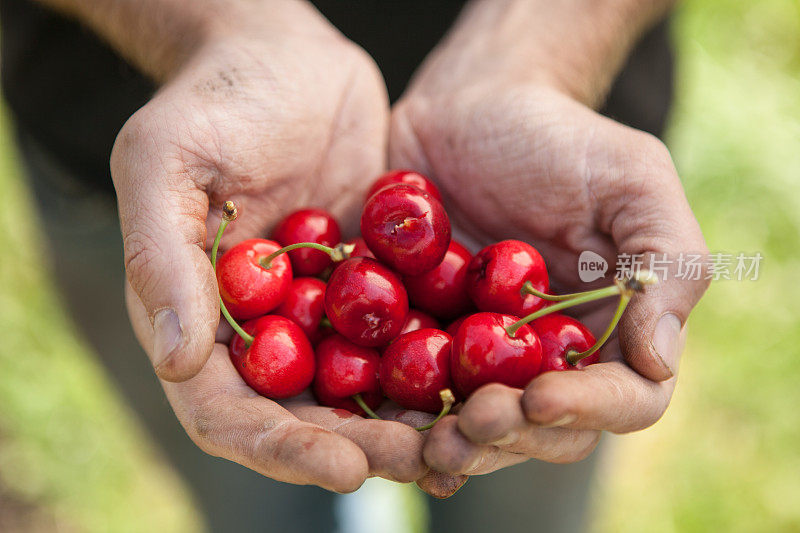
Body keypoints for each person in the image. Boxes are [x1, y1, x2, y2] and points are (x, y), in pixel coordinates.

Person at [0, 0, 709, 531]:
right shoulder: (293, 266)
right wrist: (221, 26)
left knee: (528, 455)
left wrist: (533, 53)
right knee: (256, 491)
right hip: (169, 182)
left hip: (550, 188)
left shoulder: (517, 291)